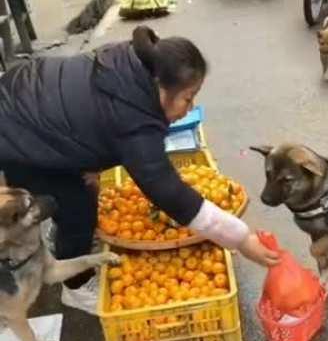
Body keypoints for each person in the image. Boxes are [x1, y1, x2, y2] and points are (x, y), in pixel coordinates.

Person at [0, 27, 279, 313]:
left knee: (78, 191)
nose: (189, 107)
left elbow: (91, 115)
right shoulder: (135, 121)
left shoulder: (129, 64)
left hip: (27, 93)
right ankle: (76, 285)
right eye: (187, 97)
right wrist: (242, 239)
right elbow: (170, 194)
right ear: (162, 86)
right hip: (17, 132)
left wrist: (91, 161)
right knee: (78, 208)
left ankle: (64, 233)